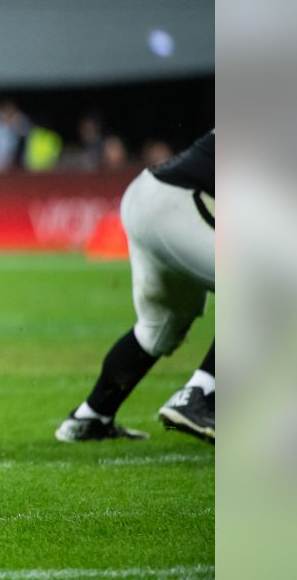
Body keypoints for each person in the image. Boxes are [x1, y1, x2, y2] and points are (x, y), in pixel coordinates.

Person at [56, 131, 215, 444]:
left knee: (159, 329)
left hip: (150, 198)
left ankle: (91, 416)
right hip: (179, 205)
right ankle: (203, 396)